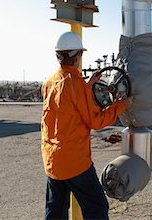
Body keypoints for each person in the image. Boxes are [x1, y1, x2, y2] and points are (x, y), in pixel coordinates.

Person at [41, 31, 133, 220]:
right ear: (78, 57)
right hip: (74, 162)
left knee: (55, 211)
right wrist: (121, 105)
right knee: (97, 207)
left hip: (53, 161)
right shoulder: (75, 85)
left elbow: (65, 103)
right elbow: (96, 121)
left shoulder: (49, 83)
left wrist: (88, 85)